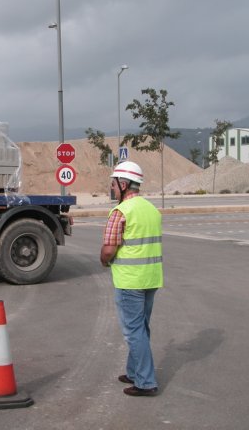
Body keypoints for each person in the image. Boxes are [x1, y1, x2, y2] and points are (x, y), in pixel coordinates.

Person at [99, 161, 163, 397]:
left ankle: (146, 382)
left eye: (114, 184)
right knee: (141, 327)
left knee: (133, 331)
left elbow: (108, 250)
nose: (113, 189)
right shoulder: (151, 209)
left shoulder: (121, 212)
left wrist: (104, 261)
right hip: (151, 278)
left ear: (123, 184)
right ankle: (134, 371)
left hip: (130, 281)